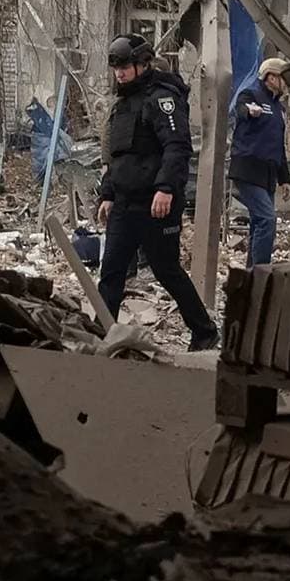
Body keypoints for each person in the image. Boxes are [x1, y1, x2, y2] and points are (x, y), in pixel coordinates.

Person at [95, 32, 219, 351]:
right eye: (116, 68)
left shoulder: (163, 99)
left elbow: (177, 147)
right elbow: (117, 156)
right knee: (111, 272)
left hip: (155, 204)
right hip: (125, 203)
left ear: (143, 64)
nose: (120, 74)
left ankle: (204, 332)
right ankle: (101, 335)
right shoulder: (123, 104)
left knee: (167, 270)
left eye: (125, 67)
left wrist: (165, 189)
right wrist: (107, 194)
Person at [228, 57, 290, 268]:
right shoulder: (251, 94)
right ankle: (261, 273)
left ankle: (251, 275)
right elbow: (239, 109)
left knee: (259, 222)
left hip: (268, 174)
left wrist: (285, 179)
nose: (287, 84)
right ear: (271, 77)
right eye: (284, 78)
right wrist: (248, 111)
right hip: (248, 169)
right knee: (267, 219)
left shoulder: (278, 108)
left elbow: (278, 146)